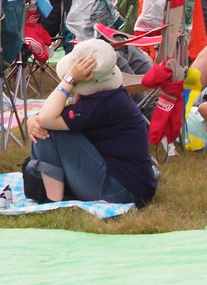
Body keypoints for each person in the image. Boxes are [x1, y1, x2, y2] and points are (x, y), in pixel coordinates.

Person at [25, 39, 156, 207]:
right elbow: (52, 115)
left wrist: (69, 80)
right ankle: (55, 196)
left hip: (120, 192)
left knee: (50, 132)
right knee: (51, 125)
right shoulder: (108, 95)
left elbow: (46, 119)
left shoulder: (100, 103)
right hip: (129, 186)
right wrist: (32, 120)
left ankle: (54, 202)